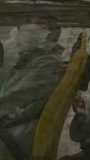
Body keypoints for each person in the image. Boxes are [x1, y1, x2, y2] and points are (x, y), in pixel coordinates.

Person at [0, 17, 64, 159]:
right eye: (25, 22)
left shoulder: (48, 64)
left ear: (50, 34)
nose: (22, 30)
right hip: (13, 130)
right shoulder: (36, 61)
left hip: (13, 137)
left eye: (35, 24)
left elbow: (19, 98)